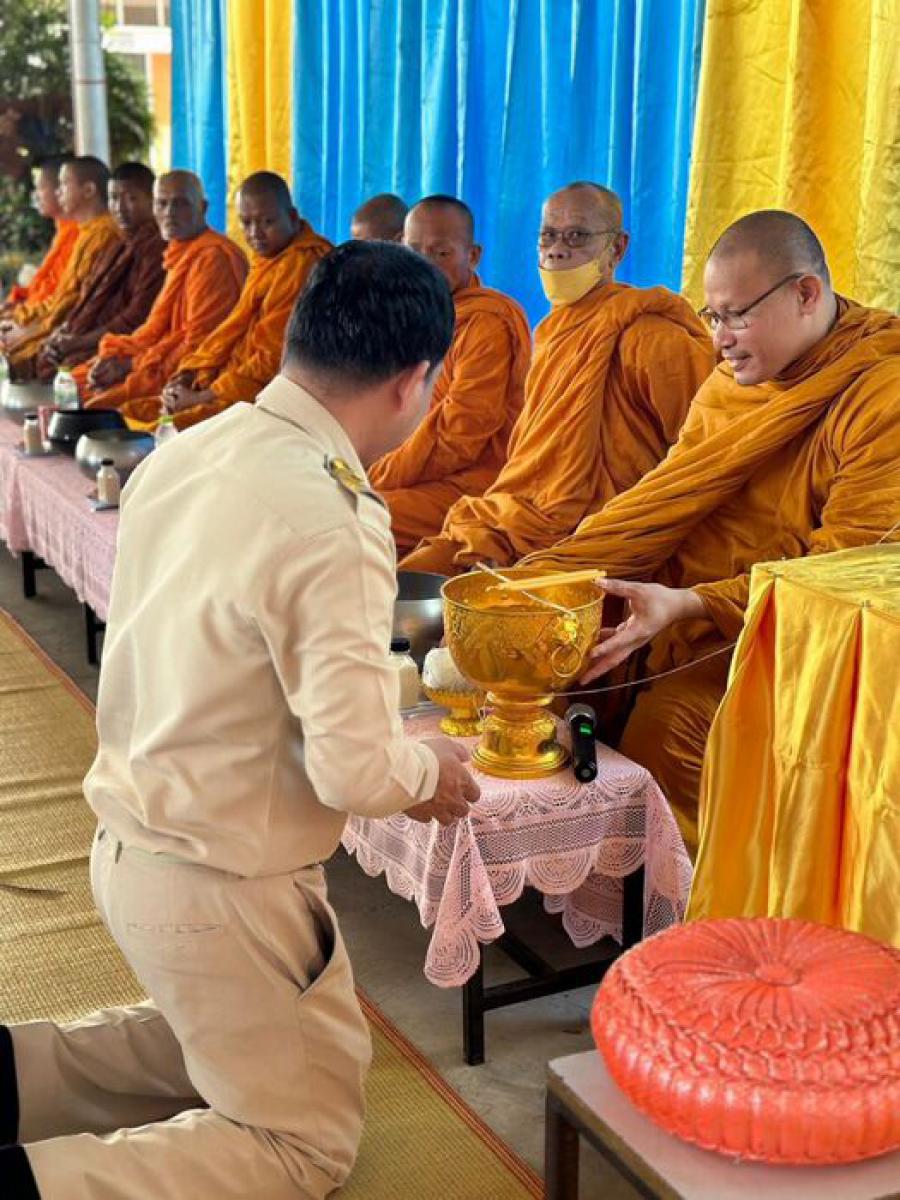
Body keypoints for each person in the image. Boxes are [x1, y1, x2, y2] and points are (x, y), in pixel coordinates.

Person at [0, 240, 480, 1198]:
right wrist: (433, 775)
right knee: (302, 1144)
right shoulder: (333, 514)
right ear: (413, 381)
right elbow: (354, 772)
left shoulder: (191, 449)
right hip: (223, 884)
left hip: (135, 848)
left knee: (238, 1043)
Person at [521, 210, 900, 854]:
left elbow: (840, 581)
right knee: (553, 649)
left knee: (670, 729)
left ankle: (697, 907)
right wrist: (549, 576)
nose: (719, 339)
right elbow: (665, 498)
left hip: (803, 637)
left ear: (806, 293)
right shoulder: (734, 379)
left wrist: (692, 604)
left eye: (735, 316)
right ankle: (563, 876)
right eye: (712, 316)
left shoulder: (880, 393)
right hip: (691, 605)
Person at [399, 181, 714, 575]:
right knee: (410, 577)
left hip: (602, 534)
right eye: (548, 236)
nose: (557, 250)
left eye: (577, 236)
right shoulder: (552, 331)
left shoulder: (652, 335)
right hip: (517, 514)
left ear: (616, 249)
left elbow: (700, 454)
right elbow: (534, 458)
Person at [369, 195, 531, 552]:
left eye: (441, 253)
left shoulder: (485, 324)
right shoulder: (412, 315)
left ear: (472, 256)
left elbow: (461, 437)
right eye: (414, 252)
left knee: (356, 517)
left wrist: (379, 473)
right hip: (406, 471)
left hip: (472, 484)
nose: (424, 266)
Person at [119, 172, 332, 430]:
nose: (255, 233)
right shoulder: (268, 259)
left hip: (266, 395)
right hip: (229, 381)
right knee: (128, 414)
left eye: (267, 221)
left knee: (157, 430)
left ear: (293, 217)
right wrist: (189, 374)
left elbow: (274, 358)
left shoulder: (300, 264)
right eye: (246, 222)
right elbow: (229, 332)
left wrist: (204, 396)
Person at [76, 170, 247, 409]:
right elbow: (154, 330)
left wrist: (131, 365)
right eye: (162, 203)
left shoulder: (213, 258)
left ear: (203, 207)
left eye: (180, 203)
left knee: (96, 404)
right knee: (77, 380)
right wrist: (123, 359)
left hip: (189, 374)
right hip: (157, 361)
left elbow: (200, 343)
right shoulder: (180, 252)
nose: (169, 213)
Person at [33, 162, 165, 381]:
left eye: (131, 199)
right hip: (88, 336)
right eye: (114, 198)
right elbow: (87, 295)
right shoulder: (119, 243)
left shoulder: (157, 250)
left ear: (152, 201)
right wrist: (67, 330)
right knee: (47, 359)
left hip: (123, 346)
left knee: (73, 375)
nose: (120, 208)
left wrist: (79, 341)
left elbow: (136, 317)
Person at [0, 157, 121, 375]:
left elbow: (76, 303)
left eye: (64, 185)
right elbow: (61, 297)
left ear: (88, 190)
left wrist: (29, 329)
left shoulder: (104, 234)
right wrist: (22, 318)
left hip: (68, 333)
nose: (58, 192)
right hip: (50, 324)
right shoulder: (87, 233)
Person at [1, 156, 77, 313]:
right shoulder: (63, 231)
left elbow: (60, 298)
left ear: (61, 190)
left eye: (40, 188)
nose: (35, 195)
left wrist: (20, 313)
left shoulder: (77, 234)